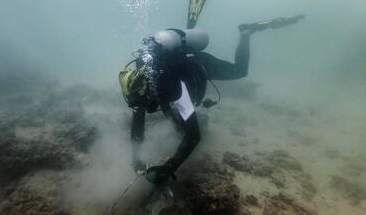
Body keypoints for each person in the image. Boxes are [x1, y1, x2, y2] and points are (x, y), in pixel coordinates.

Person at [119, 15, 304, 184]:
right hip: (175, 65)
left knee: (240, 71)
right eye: (137, 104)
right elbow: (138, 123)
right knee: (173, 115)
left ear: (149, 93)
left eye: (143, 104)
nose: (141, 108)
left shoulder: (170, 88)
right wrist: (136, 158)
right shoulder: (140, 85)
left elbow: (194, 136)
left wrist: (171, 167)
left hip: (198, 64)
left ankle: (246, 33)